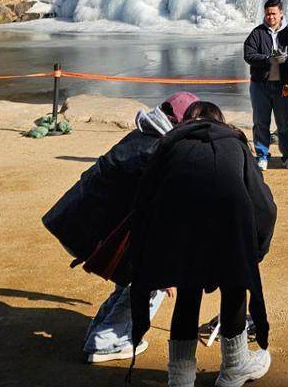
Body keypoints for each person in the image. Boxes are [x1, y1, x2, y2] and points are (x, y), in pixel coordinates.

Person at [122, 100, 276, 387]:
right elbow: (264, 205)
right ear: (220, 120)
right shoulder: (235, 143)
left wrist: (151, 257)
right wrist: (256, 251)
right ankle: (235, 367)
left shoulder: (168, 146)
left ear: (186, 122)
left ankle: (180, 379)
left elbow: (143, 202)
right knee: (235, 286)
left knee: (188, 294)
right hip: (230, 224)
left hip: (181, 230)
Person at [42, 91, 200, 363]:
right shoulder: (156, 153)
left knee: (133, 269)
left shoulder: (143, 136)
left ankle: (103, 326)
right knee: (157, 274)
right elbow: (155, 218)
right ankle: (109, 340)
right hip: (91, 232)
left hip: (76, 221)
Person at [242, 0, 288, 171]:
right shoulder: (257, 33)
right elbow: (248, 55)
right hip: (260, 85)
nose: (270, 17)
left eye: (274, 13)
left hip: (282, 85)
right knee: (261, 121)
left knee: (284, 122)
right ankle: (262, 155)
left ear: (281, 13)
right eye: (268, 14)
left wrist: (285, 58)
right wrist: (267, 59)